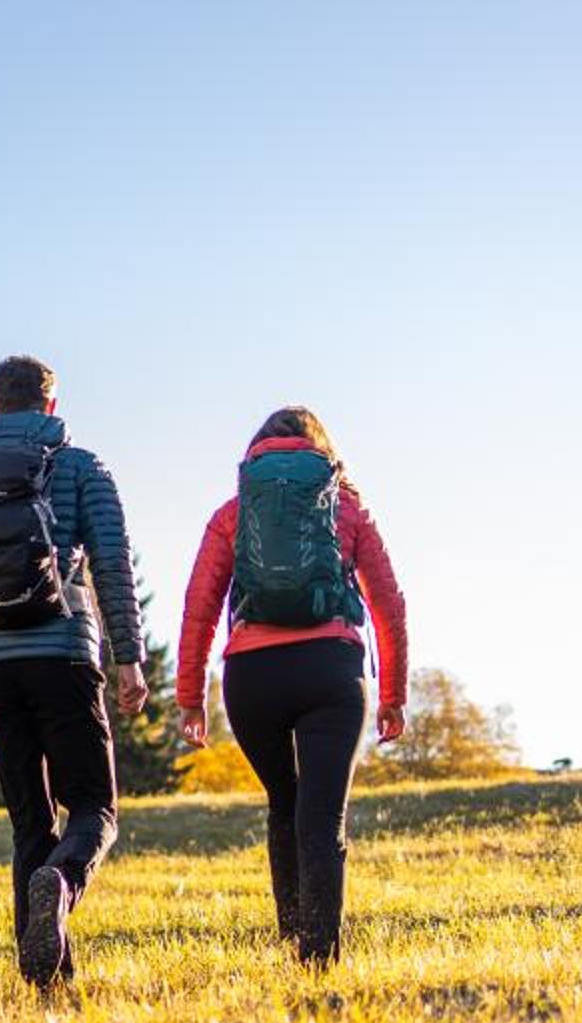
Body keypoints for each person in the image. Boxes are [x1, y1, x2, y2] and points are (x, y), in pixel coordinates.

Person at [0, 355, 150, 987]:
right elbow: (113, 562)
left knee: (30, 824)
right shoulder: (81, 468)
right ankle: (62, 882)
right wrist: (129, 657)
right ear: (51, 406)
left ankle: (46, 983)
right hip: (65, 654)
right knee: (94, 810)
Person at [175, 406, 408, 964]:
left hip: (253, 677)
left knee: (285, 801)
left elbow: (199, 608)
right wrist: (393, 694)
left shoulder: (234, 513)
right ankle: (319, 956)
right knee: (322, 816)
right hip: (331, 669)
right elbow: (388, 605)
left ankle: (290, 932)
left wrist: (190, 698)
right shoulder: (346, 508)